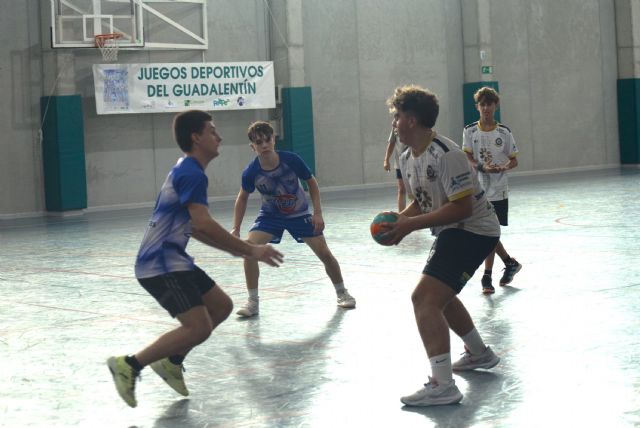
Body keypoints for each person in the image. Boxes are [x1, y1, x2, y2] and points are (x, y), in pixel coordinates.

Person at [106, 110, 284, 408]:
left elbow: (193, 226)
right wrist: (250, 249)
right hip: (159, 263)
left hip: (174, 258)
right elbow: (202, 224)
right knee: (198, 327)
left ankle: (172, 361)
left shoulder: (188, 170)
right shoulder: (191, 173)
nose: (219, 137)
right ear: (196, 137)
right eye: (212, 131)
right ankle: (129, 364)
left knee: (222, 306)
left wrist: (235, 248)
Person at [382, 85, 501, 407]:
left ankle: (443, 384)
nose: (393, 124)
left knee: (424, 298)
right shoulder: (407, 158)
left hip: (474, 229)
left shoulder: (447, 155)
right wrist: (400, 223)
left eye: (396, 117)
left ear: (411, 119)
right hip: (453, 229)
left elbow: (461, 208)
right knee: (441, 296)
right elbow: (423, 203)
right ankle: (479, 353)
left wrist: (408, 225)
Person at [231, 121, 356, 317]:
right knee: (249, 251)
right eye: (258, 142)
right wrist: (236, 228)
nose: (264, 145)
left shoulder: (291, 160)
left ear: (274, 140)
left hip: (299, 214)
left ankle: (342, 292)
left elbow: (311, 183)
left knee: (325, 253)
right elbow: (242, 197)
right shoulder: (251, 171)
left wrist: (318, 213)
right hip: (270, 216)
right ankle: (252, 302)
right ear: (252, 146)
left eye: (267, 140)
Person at [462, 87, 522, 294]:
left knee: (490, 232)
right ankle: (506, 264)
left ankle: (488, 276)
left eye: (490, 104)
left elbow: (514, 160)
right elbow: (468, 158)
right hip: (478, 189)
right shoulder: (470, 131)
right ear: (477, 107)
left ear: (495, 106)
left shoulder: (504, 132)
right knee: (488, 231)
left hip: (499, 190)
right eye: (483, 104)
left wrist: (504, 167)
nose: (486, 108)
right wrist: (482, 167)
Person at [383, 127, 409, 211]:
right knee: (401, 189)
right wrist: (386, 160)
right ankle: (401, 213)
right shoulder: (395, 126)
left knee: (415, 189)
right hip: (400, 163)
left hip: (413, 161)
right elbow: (391, 143)